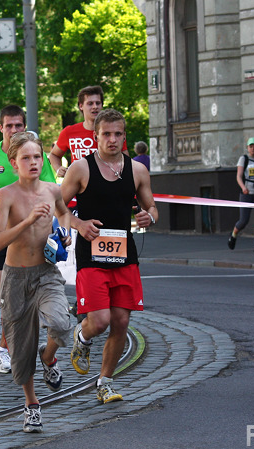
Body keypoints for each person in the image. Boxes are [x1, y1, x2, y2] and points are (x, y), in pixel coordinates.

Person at [60, 109, 158, 403]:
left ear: (124, 137)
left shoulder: (137, 171)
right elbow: (57, 206)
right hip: (91, 254)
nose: (112, 139)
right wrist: (79, 224)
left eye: (118, 134)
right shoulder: (81, 168)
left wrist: (148, 218)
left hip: (124, 254)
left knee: (121, 323)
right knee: (99, 320)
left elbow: (152, 208)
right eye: (106, 134)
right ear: (96, 136)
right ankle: (82, 336)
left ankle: (105, 382)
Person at [0, 132, 77, 432]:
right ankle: (31, 405)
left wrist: (65, 233)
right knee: (20, 349)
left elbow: (65, 214)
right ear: (14, 163)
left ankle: (49, 358)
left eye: (37, 157)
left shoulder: (53, 191)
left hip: (46, 273)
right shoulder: (6, 195)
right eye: (25, 158)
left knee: (62, 323)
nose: (33, 162)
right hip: (15, 278)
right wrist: (26, 221)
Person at [0, 105, 57, 374]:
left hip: (26, 238)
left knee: (13, 297)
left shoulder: (35, 155)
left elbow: (51, 189)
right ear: (0, 128)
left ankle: (3, 351)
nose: (14, 131)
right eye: (9, 126)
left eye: (19, 126)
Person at [48, 85, 128, 178]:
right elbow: (54, 155)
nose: (95, 107)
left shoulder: (113, 133)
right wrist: (58, 168)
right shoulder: (69, 132)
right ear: (81, 106)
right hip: (78, 187)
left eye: (98, 103)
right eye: (90, 103)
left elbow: (125, 161)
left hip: (106, 185)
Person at [227, 137, 254, 252]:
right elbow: (239, 176)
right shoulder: (244, 159)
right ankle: (233, 235)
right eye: (251, 146)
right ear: (247, 148)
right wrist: (243, 187)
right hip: (247, 193)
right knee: (244, 220)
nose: (253, 149)